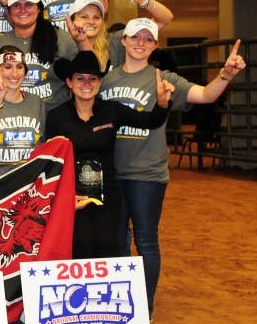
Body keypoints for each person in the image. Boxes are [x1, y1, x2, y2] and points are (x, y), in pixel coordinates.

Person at [100, 19, 246, 314]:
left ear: (154, 45)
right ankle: (119, 306)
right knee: (116, 242)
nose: (141, 43)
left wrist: (225, 75)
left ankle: (145, 307)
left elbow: (205, 95)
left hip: (147, 174)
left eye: (148, 39)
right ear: (123, 41)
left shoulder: (164, 79)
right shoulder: (107, 80)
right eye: (135, 37)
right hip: (112, 173)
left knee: (145, 240)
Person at [46, 51, 172, 261]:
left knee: (107, 245)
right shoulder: (56, 117)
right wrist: (64, 196)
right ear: (69, 82)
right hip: (72, 195)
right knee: (81, 244)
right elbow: (51, 161)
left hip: (108, 192)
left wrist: (161, 103)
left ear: (100, 82)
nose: (86, 83)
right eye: (80, 78)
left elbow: (150, 121)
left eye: (92, 78)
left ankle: (104, 294)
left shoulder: (111, 111)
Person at [0, 0, 78, 110]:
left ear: (39, 8)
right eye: (16, 5)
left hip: (54, 117)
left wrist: (82, 42)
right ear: (8, 10)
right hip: (11, 119)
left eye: (29, 4)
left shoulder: (61, 39)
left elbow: (84, 76)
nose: (23, 10)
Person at [0, 45, 46, 178]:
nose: (14, 73)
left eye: (19, 67)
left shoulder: (37, 102)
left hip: (29, 182)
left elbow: (42, 145)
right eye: (7, 67)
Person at [66, 0, 173, 72]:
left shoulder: (115, 41)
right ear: (72, 20)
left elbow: (165, 19)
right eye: (84, 17)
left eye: (97, 17)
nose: (91, 22)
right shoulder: (64, 46)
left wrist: (145, 1)